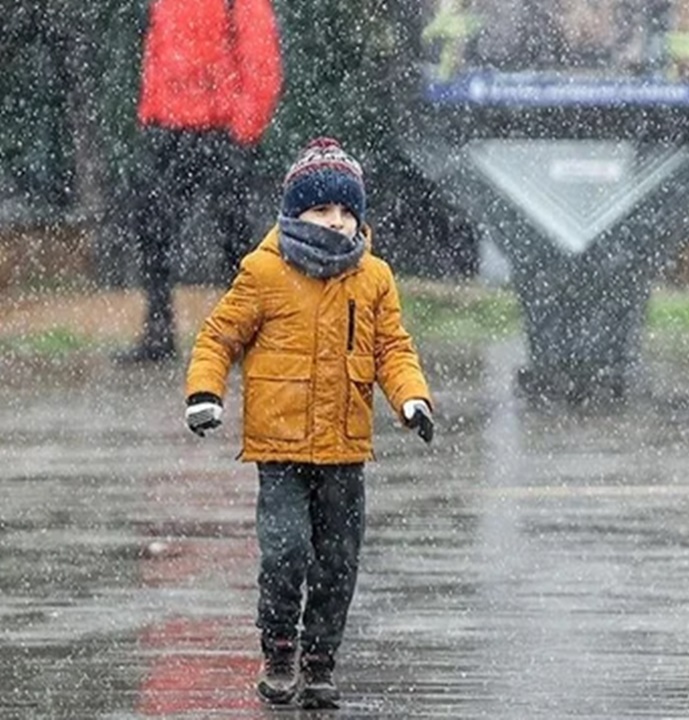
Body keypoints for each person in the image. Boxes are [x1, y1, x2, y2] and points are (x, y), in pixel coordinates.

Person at [183, 138, 437, 709]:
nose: (337, 221)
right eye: (322, 209)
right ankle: (278, 648)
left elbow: (393, 349)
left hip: (346, 449)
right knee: (285, 550)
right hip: (280, 449)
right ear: (294, 211)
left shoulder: (373, 278)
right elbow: (219, 337)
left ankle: (320, 660)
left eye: (347, 211)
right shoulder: (263, 272)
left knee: (338, 560)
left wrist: (411, 400)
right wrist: (204, 392)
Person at [119, 0, 283, 362]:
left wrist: (242, 131)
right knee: (153, 228)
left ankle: (243, 334)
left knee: (234, 238)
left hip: (219, 129)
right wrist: (152, 114)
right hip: (172, 128)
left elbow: (261, 58)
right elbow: (158, 52)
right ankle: (159, 330)